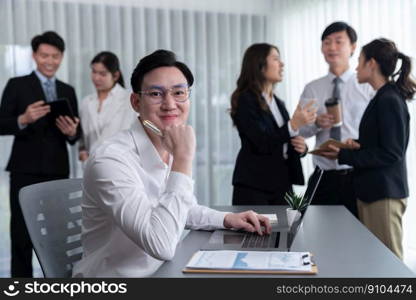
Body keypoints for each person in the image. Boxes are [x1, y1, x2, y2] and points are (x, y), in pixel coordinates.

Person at [72, 50, 272, 277]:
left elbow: (180, 208)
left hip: (165, 272)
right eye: (156, 94)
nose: (169, 104)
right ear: (136, 102)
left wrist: (226, 219)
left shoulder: (165, 144)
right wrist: (184, 159)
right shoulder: (110, 160)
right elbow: (161, 244)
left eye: (179, 92)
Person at [321, 38, 414, 259]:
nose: (356, 67)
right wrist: (360, 145)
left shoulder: (388, 99)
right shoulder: (382, 97)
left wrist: (345, 154)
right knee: (375, 262)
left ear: (372, 64)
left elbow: (392, 153)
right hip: (374, 192)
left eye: (360, 61)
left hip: (383, 194)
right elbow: (384, 145)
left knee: (388, 264)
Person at [0, 31, 80, 277]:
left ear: (62, 57)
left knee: (58, 236)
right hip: (25, 170)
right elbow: (1, 123)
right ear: (35, 55)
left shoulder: (67, 89)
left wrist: (71, 132)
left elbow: (76, 135)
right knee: (21, 235)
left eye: (55, 56)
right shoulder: (17, 84)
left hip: (57, 170)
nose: (50, 61)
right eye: (45, 55)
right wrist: (23, 119)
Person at [298, 22, 374, 217]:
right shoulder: (312, 88)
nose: (331, 48)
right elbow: (300, 131)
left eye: (338, 42)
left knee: (360, 238)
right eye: (326, 42)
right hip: (323, 176)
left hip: (358, 174)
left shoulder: (367, 86)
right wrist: (316, 124)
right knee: (315, 236)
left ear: (353, 47)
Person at [230, 43, 317, 205]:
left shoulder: (278, 103)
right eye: (276, 59)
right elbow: (262, 142)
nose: (282, 64)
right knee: (254, 231)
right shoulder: (245, 99)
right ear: (260, 65)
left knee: (284, 230)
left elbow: (282, 139)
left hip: (281, 183)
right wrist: (293, 125)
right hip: (255, 185)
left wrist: (301, 147)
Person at [78, 51, 137, 162]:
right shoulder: (86, 102)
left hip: (121, 162)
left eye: (102, 74)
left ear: (115, 75)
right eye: (94, 72)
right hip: (92, 164)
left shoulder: (129, 99)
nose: (96, 78)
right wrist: (82, 152)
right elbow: (83, 140)